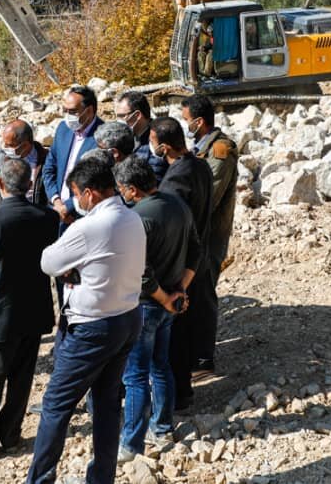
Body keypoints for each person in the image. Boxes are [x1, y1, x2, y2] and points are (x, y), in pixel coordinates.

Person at [25, 158, 145, 484]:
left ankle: (39, 480)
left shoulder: (89, 226)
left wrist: (73, 269)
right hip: (128, 318)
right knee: (106, 406)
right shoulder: (133, 218)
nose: (76, 200)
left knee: (55, 405)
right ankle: (101, 479)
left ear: (89, 194)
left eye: (77, 194)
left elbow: (48, 261)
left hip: (93, 327)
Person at [0, 158, 60, 460]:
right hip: (33, 312)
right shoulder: (47, 217)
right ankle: (11, 436)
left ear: (0, 184)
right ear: (30, 185)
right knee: (21, 379)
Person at [113, 157, 199, 462]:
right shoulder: (177, 205)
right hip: (169, 302)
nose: (120, 192)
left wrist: (165, 297)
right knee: (160, 365)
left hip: (146, 304)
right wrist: (180, 291)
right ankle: (162, 427)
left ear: (133, 189)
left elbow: (142, 273)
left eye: (122, 188)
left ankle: (131, 443)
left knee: (135, 376)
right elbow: (195, 250)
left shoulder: (136, 218)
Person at [151, 116, 213, 412]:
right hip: (197, 257)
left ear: (163, 146)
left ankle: (178, 395)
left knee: (174, 334)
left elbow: (172, 222)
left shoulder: (176, 178)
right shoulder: (200, 165)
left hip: (180, 261)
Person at [181, 95, 239, 381]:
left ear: (199, 121)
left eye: (186, 120)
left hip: (209, 235)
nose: (185, 125)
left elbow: (208, 197)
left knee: (203, 295)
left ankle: (203, 359)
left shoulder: (220, 150)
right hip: (195, 234)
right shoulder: (199, 148)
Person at [43, 85, 103, 227]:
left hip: (81, 216)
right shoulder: (63, 129)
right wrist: (56, 201)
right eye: (66, 111)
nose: (68, 116)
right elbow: (49, 168)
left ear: (89, 111)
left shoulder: (102, 137)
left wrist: (68, 207)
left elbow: (96, 183)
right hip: (56, 210)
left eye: (73, 111)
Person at [0, 119, 49, 207]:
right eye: (4, 144)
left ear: (25, 145)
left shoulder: (46, 160)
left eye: (10, 145)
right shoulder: (1, 156)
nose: (5, 148)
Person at [114, 91, 168, 182]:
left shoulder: (157, 139)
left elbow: (155, 178)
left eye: (122, 116)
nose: (118, 121)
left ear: (137, 115)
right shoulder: (125, 138)